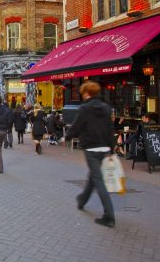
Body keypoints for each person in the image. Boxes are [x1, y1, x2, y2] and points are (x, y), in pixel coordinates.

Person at [65, 81, 115, 228]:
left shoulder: (85, 108)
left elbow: (77, 125)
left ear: (86, 93)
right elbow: (110, 128)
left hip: (91, 148)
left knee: (98, 180)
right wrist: (111, 147)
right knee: (94, 176)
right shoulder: (106, 108)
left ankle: (109, 215)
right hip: (104, 147)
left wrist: (67, 137)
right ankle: (82, 200)